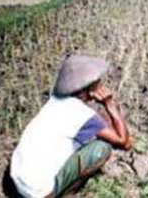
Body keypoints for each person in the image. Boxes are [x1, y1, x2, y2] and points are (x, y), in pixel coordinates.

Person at [9, 55, 133, 198]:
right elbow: (124, 142)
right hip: (38, 191)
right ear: (89, 88)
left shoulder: (53, 101)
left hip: (18, 180)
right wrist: (109, 104)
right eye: (98, 82)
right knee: (101, 148)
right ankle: (65, 193)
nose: (101, 84)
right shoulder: (81, 113)